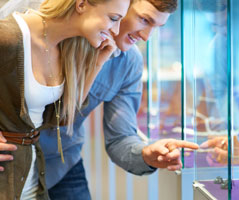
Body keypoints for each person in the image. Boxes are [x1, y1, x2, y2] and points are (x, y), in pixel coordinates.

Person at [0, 0, 199, 199]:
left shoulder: (128, 63)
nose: (146, 37)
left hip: (60, 164)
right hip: (9, 162)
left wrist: (147, 154)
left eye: (157, 26)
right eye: (144, 20)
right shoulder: (41, 21)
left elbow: (119, 138)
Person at [0, 0, 129, 199]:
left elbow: (62, 118)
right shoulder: (8, 36)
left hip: (31, 180)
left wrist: (97, 63)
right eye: (113, 18)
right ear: (81, 4)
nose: (116, 29)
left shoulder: (66, 45)